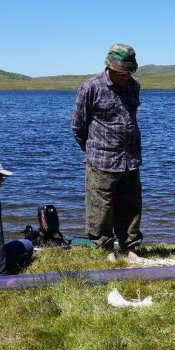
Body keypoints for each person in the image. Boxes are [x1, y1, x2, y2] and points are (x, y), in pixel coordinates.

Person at [71, 44, 143, 261]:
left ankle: (130, 247)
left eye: (128, 72)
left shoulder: (134, 85)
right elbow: (77, 126)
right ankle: (104, 248)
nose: (124, 76)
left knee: (131, 205)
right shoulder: (91, 87)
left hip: (130, 159)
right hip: (101, 159)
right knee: (101, 207)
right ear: (109, 67)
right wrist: (94, 150)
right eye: (120, 72)